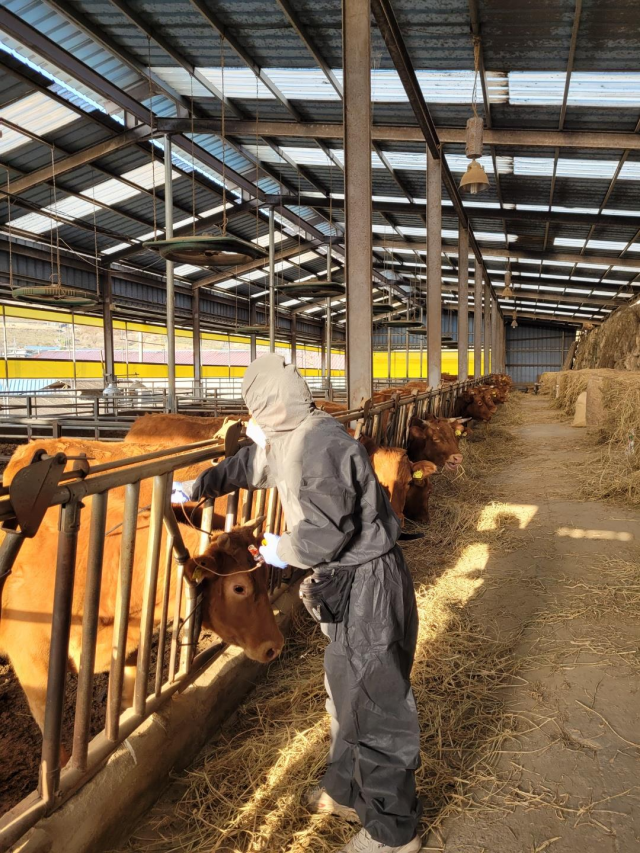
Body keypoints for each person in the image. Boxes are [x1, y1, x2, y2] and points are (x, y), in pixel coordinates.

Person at [174, 354, 422, 853]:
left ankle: (394, 834)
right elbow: (253, 464)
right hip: (347, 582)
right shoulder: (294, 434)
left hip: (368, 585)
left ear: (269, 405)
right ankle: (347, 792)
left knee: (374, 704)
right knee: (345, 692)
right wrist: (198, 486)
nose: (254, 422)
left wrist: (280, 550)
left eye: (255, 410)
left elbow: (326, 532)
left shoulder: (320, 445)